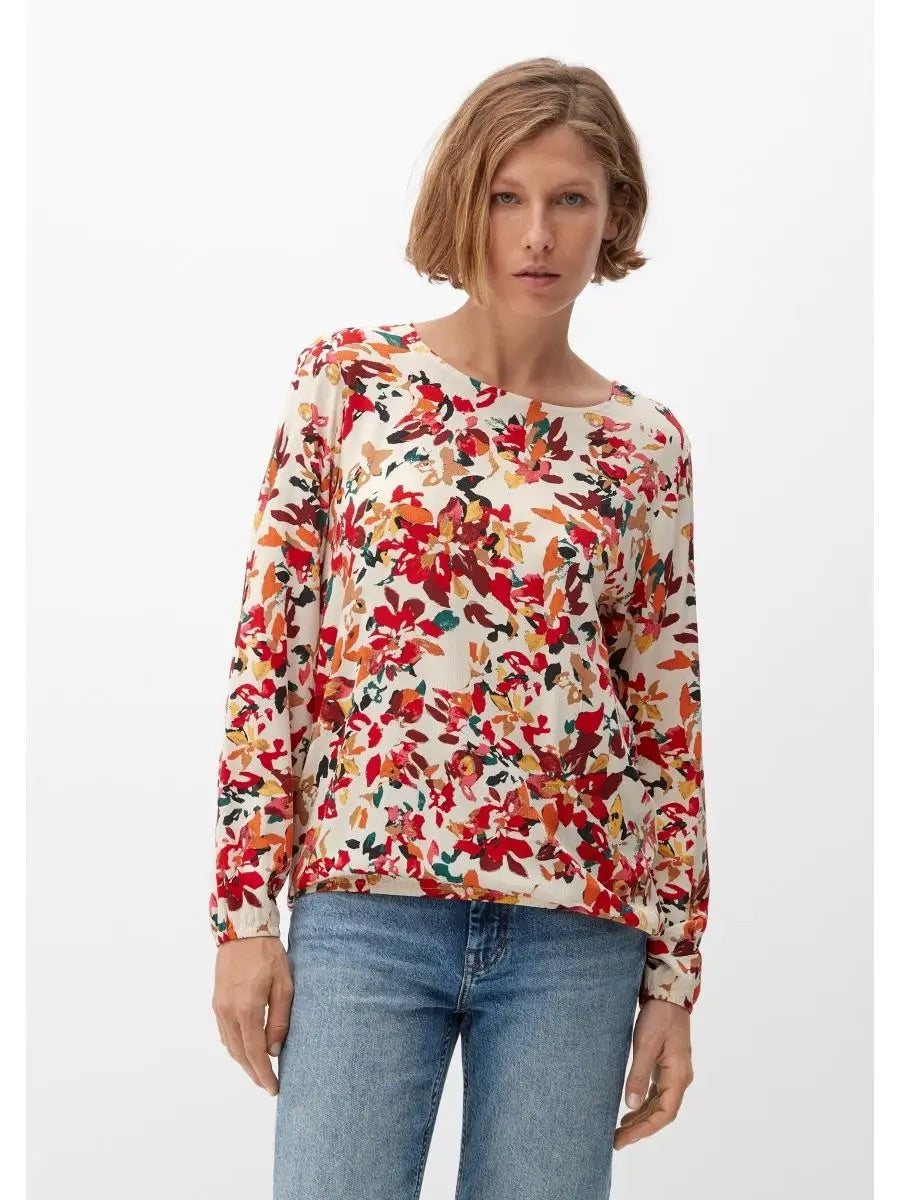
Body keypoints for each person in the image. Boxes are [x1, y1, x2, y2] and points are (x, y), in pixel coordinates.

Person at [210, 55, 710, 1200]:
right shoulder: (351, 383)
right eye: (505, 196)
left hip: (577, 935)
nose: (536, 234)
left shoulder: (646, 445)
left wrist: (673, 981)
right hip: (365, 911)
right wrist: (243, 914)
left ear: (615, 214)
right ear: (462, 202)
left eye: (570, 199)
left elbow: (666, 724)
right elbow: (270, 656)